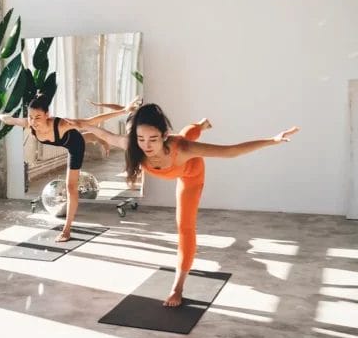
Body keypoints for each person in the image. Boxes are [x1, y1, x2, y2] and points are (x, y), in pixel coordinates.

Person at [84, 104, 298, 307]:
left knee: (185, 226)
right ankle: (202, 124)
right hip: (178, 151)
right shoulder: (133, 145)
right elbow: (104, 134)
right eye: (140, 139)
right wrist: (74, 124)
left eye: (153, 139)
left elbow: (231, 152)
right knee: (187, 133)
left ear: (164, 135)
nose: (146, 146)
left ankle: (177, 287)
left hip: (191, 173)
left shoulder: (183, 149)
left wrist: (273, 140)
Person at [0, 94, 137, 242]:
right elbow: (8, 119)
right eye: (31, 117)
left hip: (74, 145)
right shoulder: (30, 124)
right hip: (63, 141)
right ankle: (92, 137)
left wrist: (123, 111)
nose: (33, 121)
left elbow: (90, 121)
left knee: (71, 186)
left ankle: (66, 230)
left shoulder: (61, 124)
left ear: (47, 114)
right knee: (82, 138)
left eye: (38, 117)